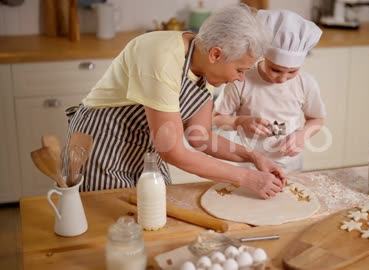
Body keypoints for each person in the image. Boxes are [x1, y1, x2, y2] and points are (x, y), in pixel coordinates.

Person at [65, 4, 285, 199]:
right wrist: (246, 178)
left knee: (156, 218)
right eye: (239, 70)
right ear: (216, 55)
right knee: (114, 227)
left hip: (147, 149)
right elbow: (172, 150)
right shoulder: (162, 57)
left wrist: (254, 157)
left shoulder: (205, 68)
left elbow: (201, 136)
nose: (240, 78)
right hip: (103, 145)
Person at [213, 9, 326, 174]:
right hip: (247, 166)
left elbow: (317, 119)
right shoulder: (240, 80)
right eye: (276, 70)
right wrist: (239, 122)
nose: (282, 78)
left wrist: (302, 135)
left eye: (292, 72)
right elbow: (215, 119)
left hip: (289, 166)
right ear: (265, 56)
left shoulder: (306, 83)